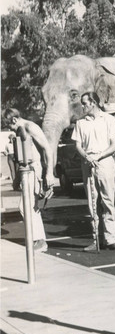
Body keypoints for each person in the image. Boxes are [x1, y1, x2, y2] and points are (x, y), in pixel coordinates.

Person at [72, 92, 115, 251]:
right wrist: (87, 157)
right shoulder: (80, 123)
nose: (82, 106)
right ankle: (96, 239)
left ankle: (110, 239)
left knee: (108, 200)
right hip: (88, 164)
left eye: (85, 103)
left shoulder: (108, 119)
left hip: (105, 163)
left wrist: (100, 156)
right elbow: (78, 145)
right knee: (92, 203)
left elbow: (114, 145)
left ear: (93, 102)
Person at [2, 108, 55, 252]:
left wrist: (49, 173)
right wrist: (17, 178)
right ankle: (37, 239)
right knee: (29, 206)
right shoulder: (21, 130)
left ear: (14, 119)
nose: (11, 129)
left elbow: (47, 149)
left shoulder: (30, 127)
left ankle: (39, 240)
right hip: (27, 170)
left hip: (34, 169)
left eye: (10, 125)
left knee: (27, 206)